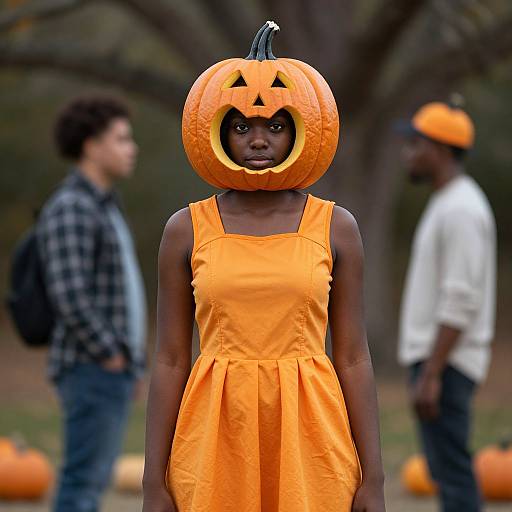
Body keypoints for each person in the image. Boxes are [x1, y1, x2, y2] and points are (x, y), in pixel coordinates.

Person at [143, 22, 385, 512]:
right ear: (217, 131)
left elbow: (354, 357)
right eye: (241, 127)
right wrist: (154, 480)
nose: (258, 140)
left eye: (275, 127)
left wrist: (373, 478)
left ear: (301, 130)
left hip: (311, 434)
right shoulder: (185, 230)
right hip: (214, 433)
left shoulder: (336, 227)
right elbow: (170, 358)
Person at [37, 95, 147, 512]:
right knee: (83, 482)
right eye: (121, 138)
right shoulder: (73, 207)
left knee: (94, 479)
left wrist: (130, 362)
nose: (131, 148)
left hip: (110, 368)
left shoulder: (104, 205)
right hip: (90, 366)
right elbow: (69, 294)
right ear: (90, 146)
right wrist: (109, 355)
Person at [397, 101, 496, 511]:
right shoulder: (448, 202)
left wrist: (433, 373)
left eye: (414, 143)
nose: (408, 153)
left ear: (438, 149)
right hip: (439, 360)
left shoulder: (462, 210)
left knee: (453, 475)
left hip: (448, 363)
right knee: (445, 472)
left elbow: (461, 298)